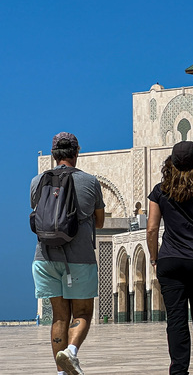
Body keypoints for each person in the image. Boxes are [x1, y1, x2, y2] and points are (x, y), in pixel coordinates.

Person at [146, 141, 193, 375]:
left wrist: (154, 258)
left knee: (176, 322)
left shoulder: (159, 191)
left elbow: (151, 229)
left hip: (170, 262)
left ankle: (178, 371)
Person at [31, 132, 105, 375]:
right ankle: (71, 352)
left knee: (59, 316)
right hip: (79, 258)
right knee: (82, 312)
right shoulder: (90, 182)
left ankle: (61, 372)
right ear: (77, 152)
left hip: (44, 258)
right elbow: (101, 222)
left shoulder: (36, 181)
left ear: (53, 154)